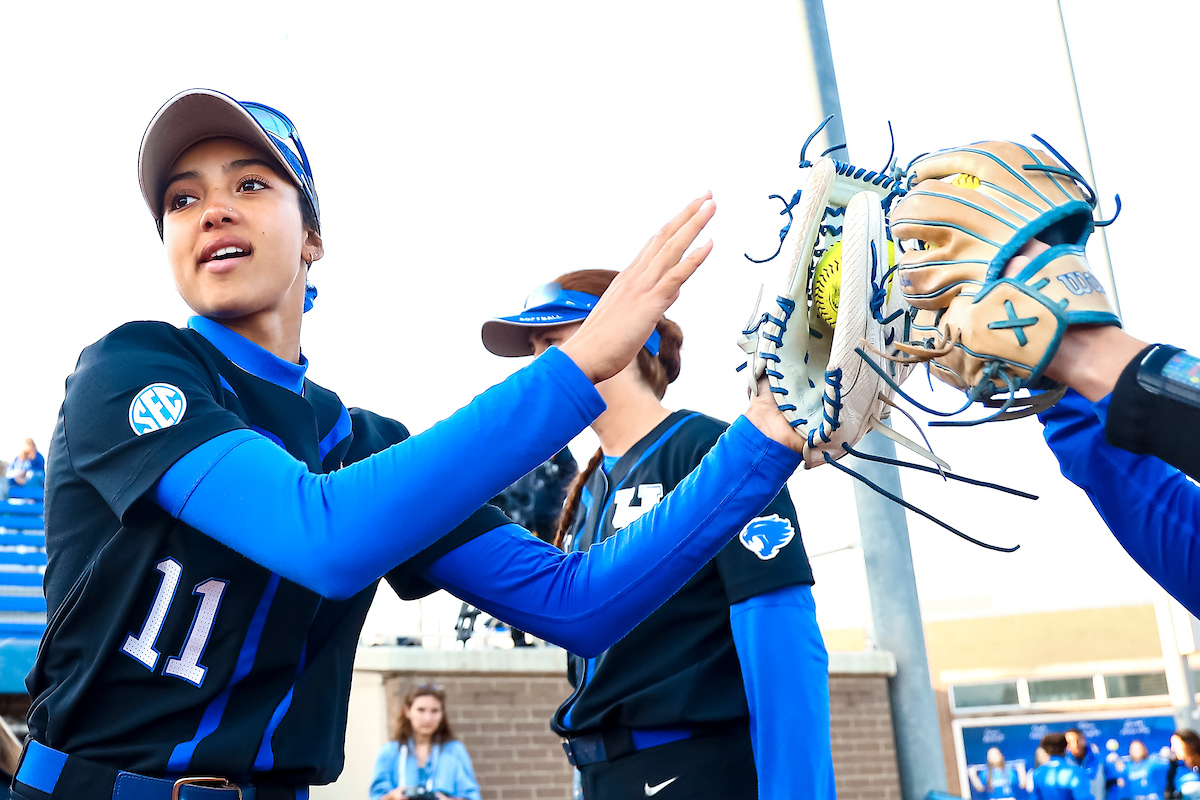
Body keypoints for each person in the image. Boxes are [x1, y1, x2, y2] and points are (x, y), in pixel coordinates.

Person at [10, 89, 813, 800]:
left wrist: (761, 442)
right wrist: (573, 370)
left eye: (250, 184)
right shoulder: (129, 366)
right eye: (182, 200)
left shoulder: (361, 444)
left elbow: (578, 603)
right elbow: (322, 536)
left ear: (313, 238)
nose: (212, 209)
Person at [482, 269, 831, 800]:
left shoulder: (709, 451)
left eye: (551, 343)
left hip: (692, 767)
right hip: (605, 772)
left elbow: (779, 636)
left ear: (626, 336)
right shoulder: (589, 484)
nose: (537, 369)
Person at [369, 686, 479, 800]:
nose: (427, 718)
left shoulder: (455, 751)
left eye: (434, 711)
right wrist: (393, 796)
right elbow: (375, 796)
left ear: (442, 714)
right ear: (407, 711)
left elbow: (472, 796)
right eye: (421, 710)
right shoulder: (389, 751)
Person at [1031, 733, 1094, 800]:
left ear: (1045, 750)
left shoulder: (1038, 773)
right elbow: (1083, 797)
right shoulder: (1075, 772)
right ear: (1066, 747)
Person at [1067, 728, 1105, 800]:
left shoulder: (1100, 761)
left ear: (1082, 740)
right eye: (1068, 743)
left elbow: (1112, 784)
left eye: (1075, 741)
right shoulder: (1065, 764)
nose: (1070, 745)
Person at [1166, 731, 1200, 799]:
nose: (1172, 749)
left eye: (1175, 744)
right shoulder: (1174, 768)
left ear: (1187, 744)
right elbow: (1169, 792)